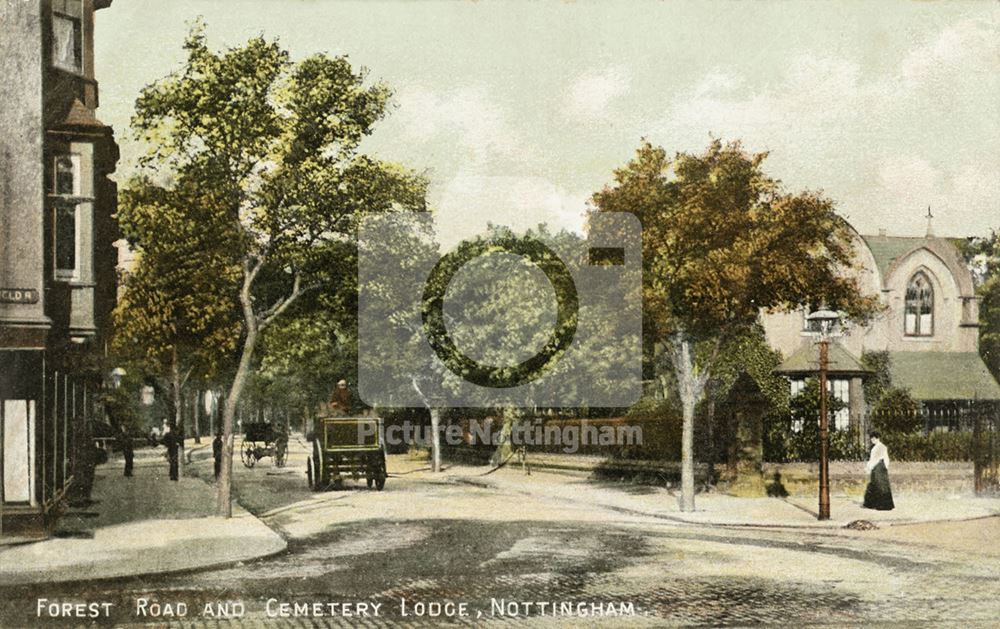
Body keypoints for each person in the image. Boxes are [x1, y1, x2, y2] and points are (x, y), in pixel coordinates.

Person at [863, 431, 894, 510]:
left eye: (873, 438)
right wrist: (869, 467)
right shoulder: (875, 447)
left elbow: (878, 459)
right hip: (877, 467)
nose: (872, 440)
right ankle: (873, 503)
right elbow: (873, 459)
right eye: (871, 438)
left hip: (879, 467)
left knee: (880, 485)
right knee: (875, 484)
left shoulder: (881, 447)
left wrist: (870, 467)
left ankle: (883, 505)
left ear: (877, 438)